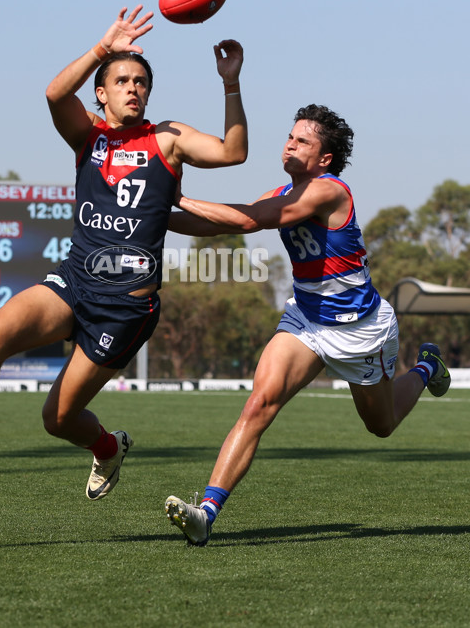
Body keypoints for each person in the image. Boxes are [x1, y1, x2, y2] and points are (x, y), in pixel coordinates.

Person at [0, 5, 248, 502]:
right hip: (74, 281)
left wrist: (230, 84)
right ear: (101, 92)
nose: (134, 88)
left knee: (58, 419)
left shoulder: (167, 138)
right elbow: (53, 93)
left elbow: (233, 152)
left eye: (141, 82)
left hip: (126, 307)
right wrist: (102, 48)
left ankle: (108, 447)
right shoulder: (89, 134)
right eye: (122, 80)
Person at [164, 104, 450, 546]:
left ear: (324, 159)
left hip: (361, 331)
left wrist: (175, 195)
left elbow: (245, 219)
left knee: (382, 425)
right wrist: (153, 218)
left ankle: (426, 367)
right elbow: (218, 226)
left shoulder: (328, 191)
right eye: (289, 136)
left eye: (303, 141)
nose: (290, 144)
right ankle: (206, 513)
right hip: (307, 320)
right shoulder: (282, 191)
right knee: (259, 404)